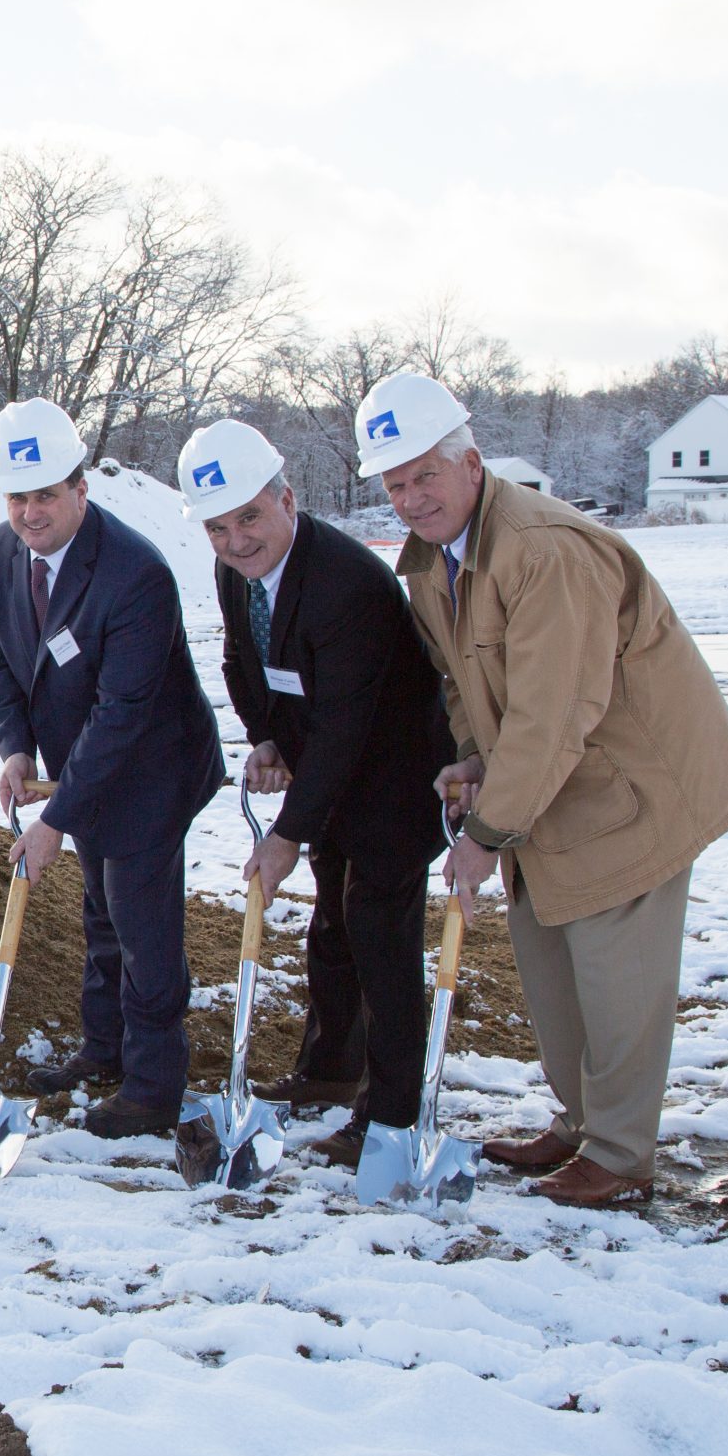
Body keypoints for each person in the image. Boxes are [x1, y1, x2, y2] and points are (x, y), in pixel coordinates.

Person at [357, 371, 728, 1207]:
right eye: (395, 483)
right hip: (549, 787)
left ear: (470, 462)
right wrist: (473, 762)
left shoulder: (543, 551)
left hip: (631, 785)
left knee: (617, 977)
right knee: (551, 966)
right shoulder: (435, 559)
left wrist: (483, 834)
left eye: (424, 474)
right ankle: (579, 1123)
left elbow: (553, 715)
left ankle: (618, 1155)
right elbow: (464, 683)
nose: (410, 497)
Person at [176, 419, 451, 1168]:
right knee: (332, 927)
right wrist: (266, 738)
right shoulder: (236, 571)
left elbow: (346, 725)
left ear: (287, 500)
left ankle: (390, 1114)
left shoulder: (346, 584)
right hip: (327, 771)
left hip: (396, 778)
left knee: (379, 933)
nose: (236, 540)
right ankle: (331, 1068)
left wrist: (288, 832)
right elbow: (243, 660)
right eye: (219, 527)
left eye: (250, 518)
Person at [0, 399, 225, 1140]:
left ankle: (153, 1087)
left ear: (80, 488)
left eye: (46, 494)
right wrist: (15, 748)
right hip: (83, 765)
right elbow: (0, 660)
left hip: (153, 766)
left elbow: (125, 713)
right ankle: (106, 1048)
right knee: (101, 912)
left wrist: (56, 817)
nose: (30, 512)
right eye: (17, 497)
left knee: (142, 923)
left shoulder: (135, 574)